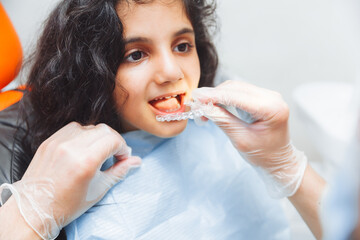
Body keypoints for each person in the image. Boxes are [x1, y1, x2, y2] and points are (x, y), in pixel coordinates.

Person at [0, 0, 296, 239]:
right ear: (93, 70)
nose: (172, 72)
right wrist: (35, 214)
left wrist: (286, 165)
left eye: (182, 46)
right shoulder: (64, 167)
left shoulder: (222, 111)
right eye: (136, 54)